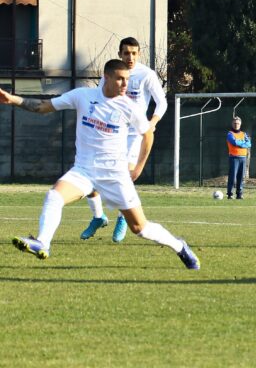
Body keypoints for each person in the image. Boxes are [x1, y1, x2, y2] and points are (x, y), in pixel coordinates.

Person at [0, 59, 199, 270]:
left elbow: (147, 134)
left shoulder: (129, 107)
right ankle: (43, 243)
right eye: (120, 79)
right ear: (106, 77)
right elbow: (43, 107)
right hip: (83, 170)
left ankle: (179, 246)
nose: (125, 84)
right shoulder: (83, 96)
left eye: (128, 80)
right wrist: (11, 99)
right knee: (54, 196)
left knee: (140, 228)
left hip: (115, 174)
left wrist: (139, 166)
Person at [81, 37, 168, 243]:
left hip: (132, 136)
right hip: (108, 132)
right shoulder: (110, 75)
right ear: (120, 54)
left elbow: (161, 102)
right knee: (89, 173)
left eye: (134, 53)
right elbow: (99, 98)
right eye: (126, 53)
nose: (130, 57)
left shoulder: (147, 74)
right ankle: (98, 217)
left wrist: (152, 122)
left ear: (139, 54)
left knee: (124, 176)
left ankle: (122, 218)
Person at [226, 116, 252, 199]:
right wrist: (243, 144)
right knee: (233, 177)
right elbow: (234, 142)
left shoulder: (243, 134)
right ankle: (230, 194)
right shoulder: (230, 134)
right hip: (234, 158)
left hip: (243, 158)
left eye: (237, 123)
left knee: (241, 177)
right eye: (234, 123)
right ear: (232, 124)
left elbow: (249, 144)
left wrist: (240, 144)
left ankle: (239, 194)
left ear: (240, 124)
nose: (236, 125)